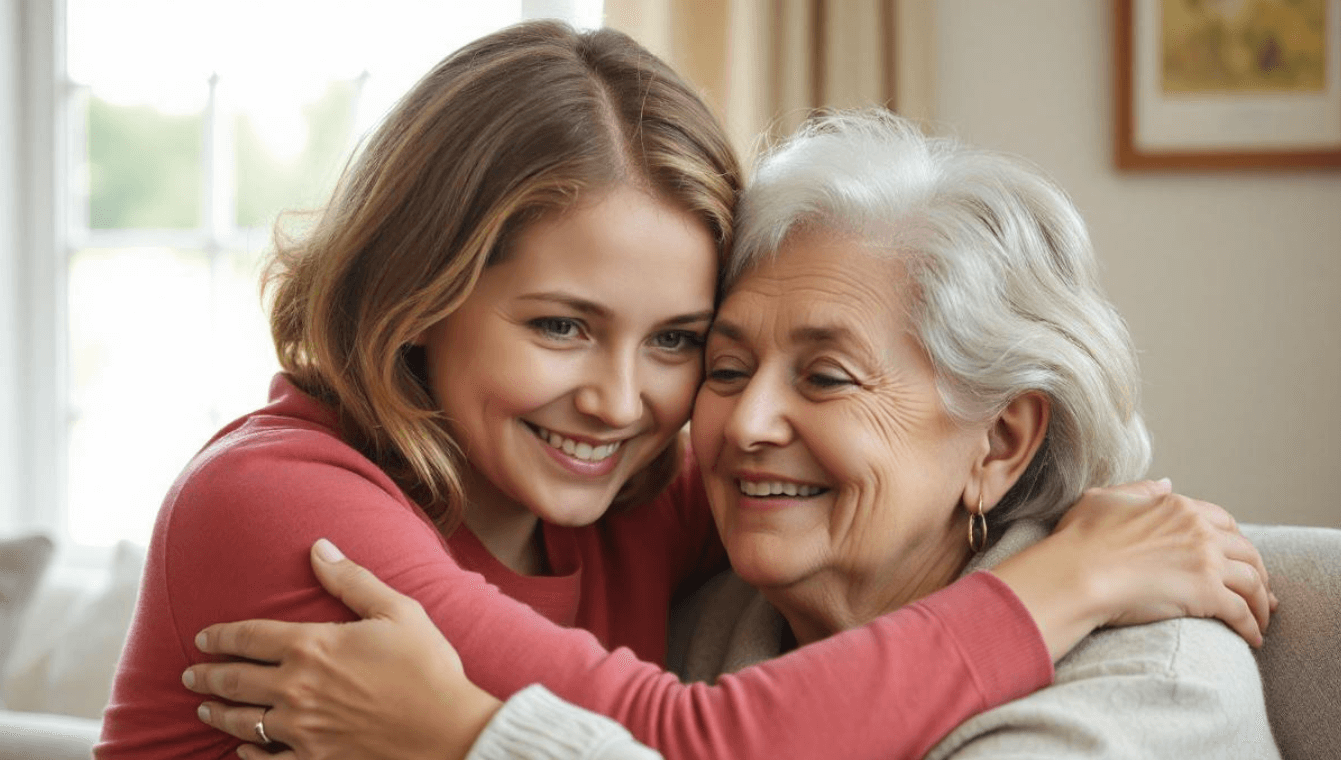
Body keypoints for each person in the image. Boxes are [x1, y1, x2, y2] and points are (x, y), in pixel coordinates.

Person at [114, 19, 1272, 760]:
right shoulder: (279, 500)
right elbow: (692, 738)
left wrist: (468, 739)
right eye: (561, 326)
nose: (623, 404)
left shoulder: (642, 500)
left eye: (676, 343)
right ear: (419, 296)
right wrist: (1060, 579)